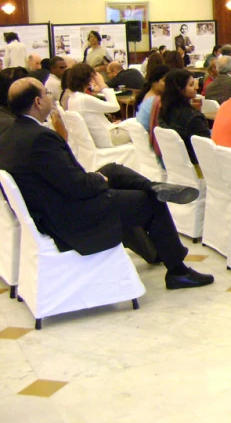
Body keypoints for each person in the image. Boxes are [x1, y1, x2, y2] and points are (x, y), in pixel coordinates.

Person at [0, 77, 214, 290]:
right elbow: (77, 186)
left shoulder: (9, 135)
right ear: (38, 102)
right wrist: (98, 180)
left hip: (53, 206)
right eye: (46, 93)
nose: (51, 97)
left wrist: (100, 178)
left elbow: (64, 180)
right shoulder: (41, 138)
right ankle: (177, 270)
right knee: (147, 201)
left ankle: (154, 187)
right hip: (69, 216)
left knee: (112, 170)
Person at [65, 63, 131, 147]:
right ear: (88, 79)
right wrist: (102, 84)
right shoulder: (84, 99)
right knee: (139, 128)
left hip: (99, 138)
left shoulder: (72, 99)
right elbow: (115, 107)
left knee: (130, 124)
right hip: (108, 139)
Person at [157, 69, 211, 165]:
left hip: (177, 165)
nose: (196, 87)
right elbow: (208, 150)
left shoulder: (164, 111)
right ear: (179, 89)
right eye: (191, 85)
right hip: (198, 166)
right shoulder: (194, 119)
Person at [135, 64, 171, 132]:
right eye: (165, 81)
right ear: (154, 81)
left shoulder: (146, 95)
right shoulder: (156, 101)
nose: (168, 84)